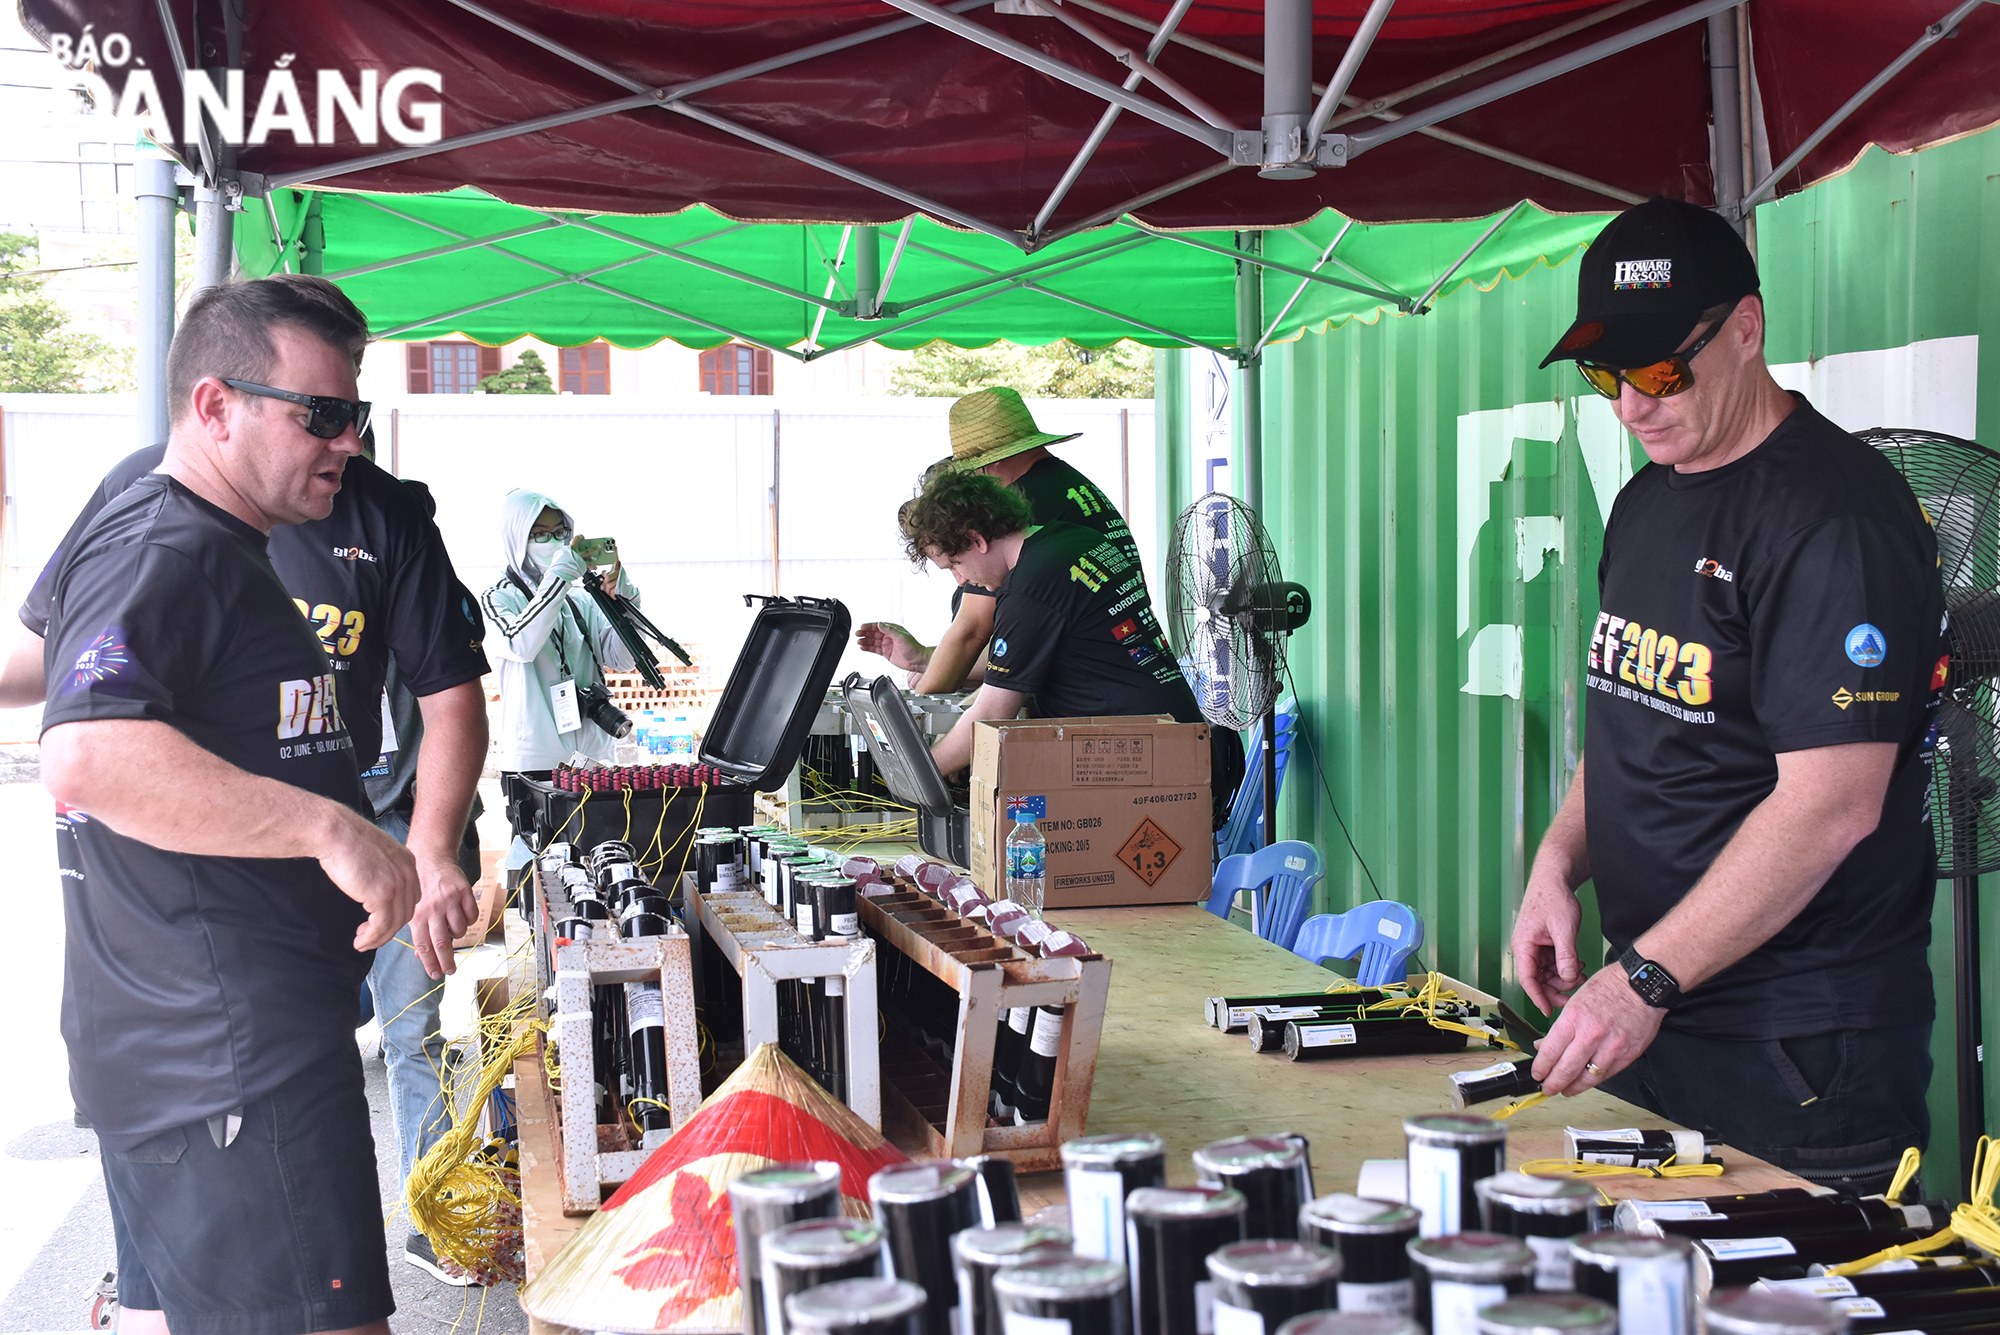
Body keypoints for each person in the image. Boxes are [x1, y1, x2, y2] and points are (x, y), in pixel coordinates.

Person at [7, 303, 493, 1284]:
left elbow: (451, 698)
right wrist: (328, 828)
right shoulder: (164, 530)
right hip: (224, 1033)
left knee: (170, 1303)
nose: (346, 441)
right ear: (215, 407)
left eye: (355, 413)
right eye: (318, 414)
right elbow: (86, 740)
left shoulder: (332, 520)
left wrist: (427, 849)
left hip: (206, 1020)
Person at [1512, 197, 1947, 1193]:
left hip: (1793, 1043)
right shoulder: (1643, 499)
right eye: (1603, 373)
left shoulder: (1830, 519)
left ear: (1744, 330)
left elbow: (1830, 807)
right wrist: (1556, 861)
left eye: (1660, 370)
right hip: (1654, 1008)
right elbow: (1634, 719)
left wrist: (1648, 975)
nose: (1630, 404)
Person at [903, 469, 1245, 827]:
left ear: (977, 539)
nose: (960, 580)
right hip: (1179, 754)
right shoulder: (1075, 540)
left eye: (954, 564)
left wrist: (922, 771)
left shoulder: (1029, 587)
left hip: (1145, 775)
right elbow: (1029, 659)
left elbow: (993, 711)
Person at [858, 387, 1144, 694]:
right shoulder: (1066, 484)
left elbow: (971, 632)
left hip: (1091, 692)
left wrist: (919, 709)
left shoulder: (1023, 505)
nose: (961, 577)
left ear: (990, 464)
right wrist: (928, 658)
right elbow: (1013, 647)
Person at [484, 489, 643, 789]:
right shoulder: (498, 598)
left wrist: (627, 606)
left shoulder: (579, 600)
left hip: (595, 760)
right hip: (534, 766)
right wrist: (560, 578)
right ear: (517, 538)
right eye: (541, 535)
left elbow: (622, 659)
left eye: (560, 533)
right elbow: (521, 644)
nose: (554, 542)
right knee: (538, 838)